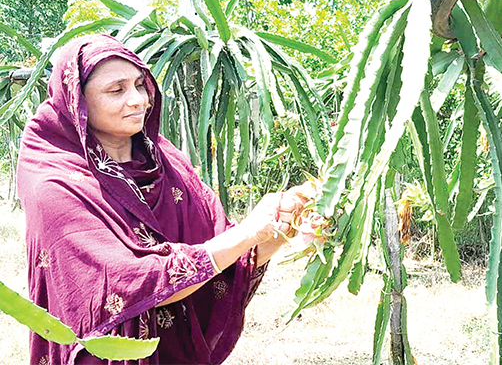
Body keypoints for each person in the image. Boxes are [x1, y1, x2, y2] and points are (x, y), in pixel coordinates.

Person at [16, 34, 311, 365]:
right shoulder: (53, 181)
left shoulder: (164, 159)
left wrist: (280, 229)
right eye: (116, 90)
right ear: (77, 102)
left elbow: (225, 259)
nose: (138, 100)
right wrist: (248, 232)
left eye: (140, 85)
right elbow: (130, 282)